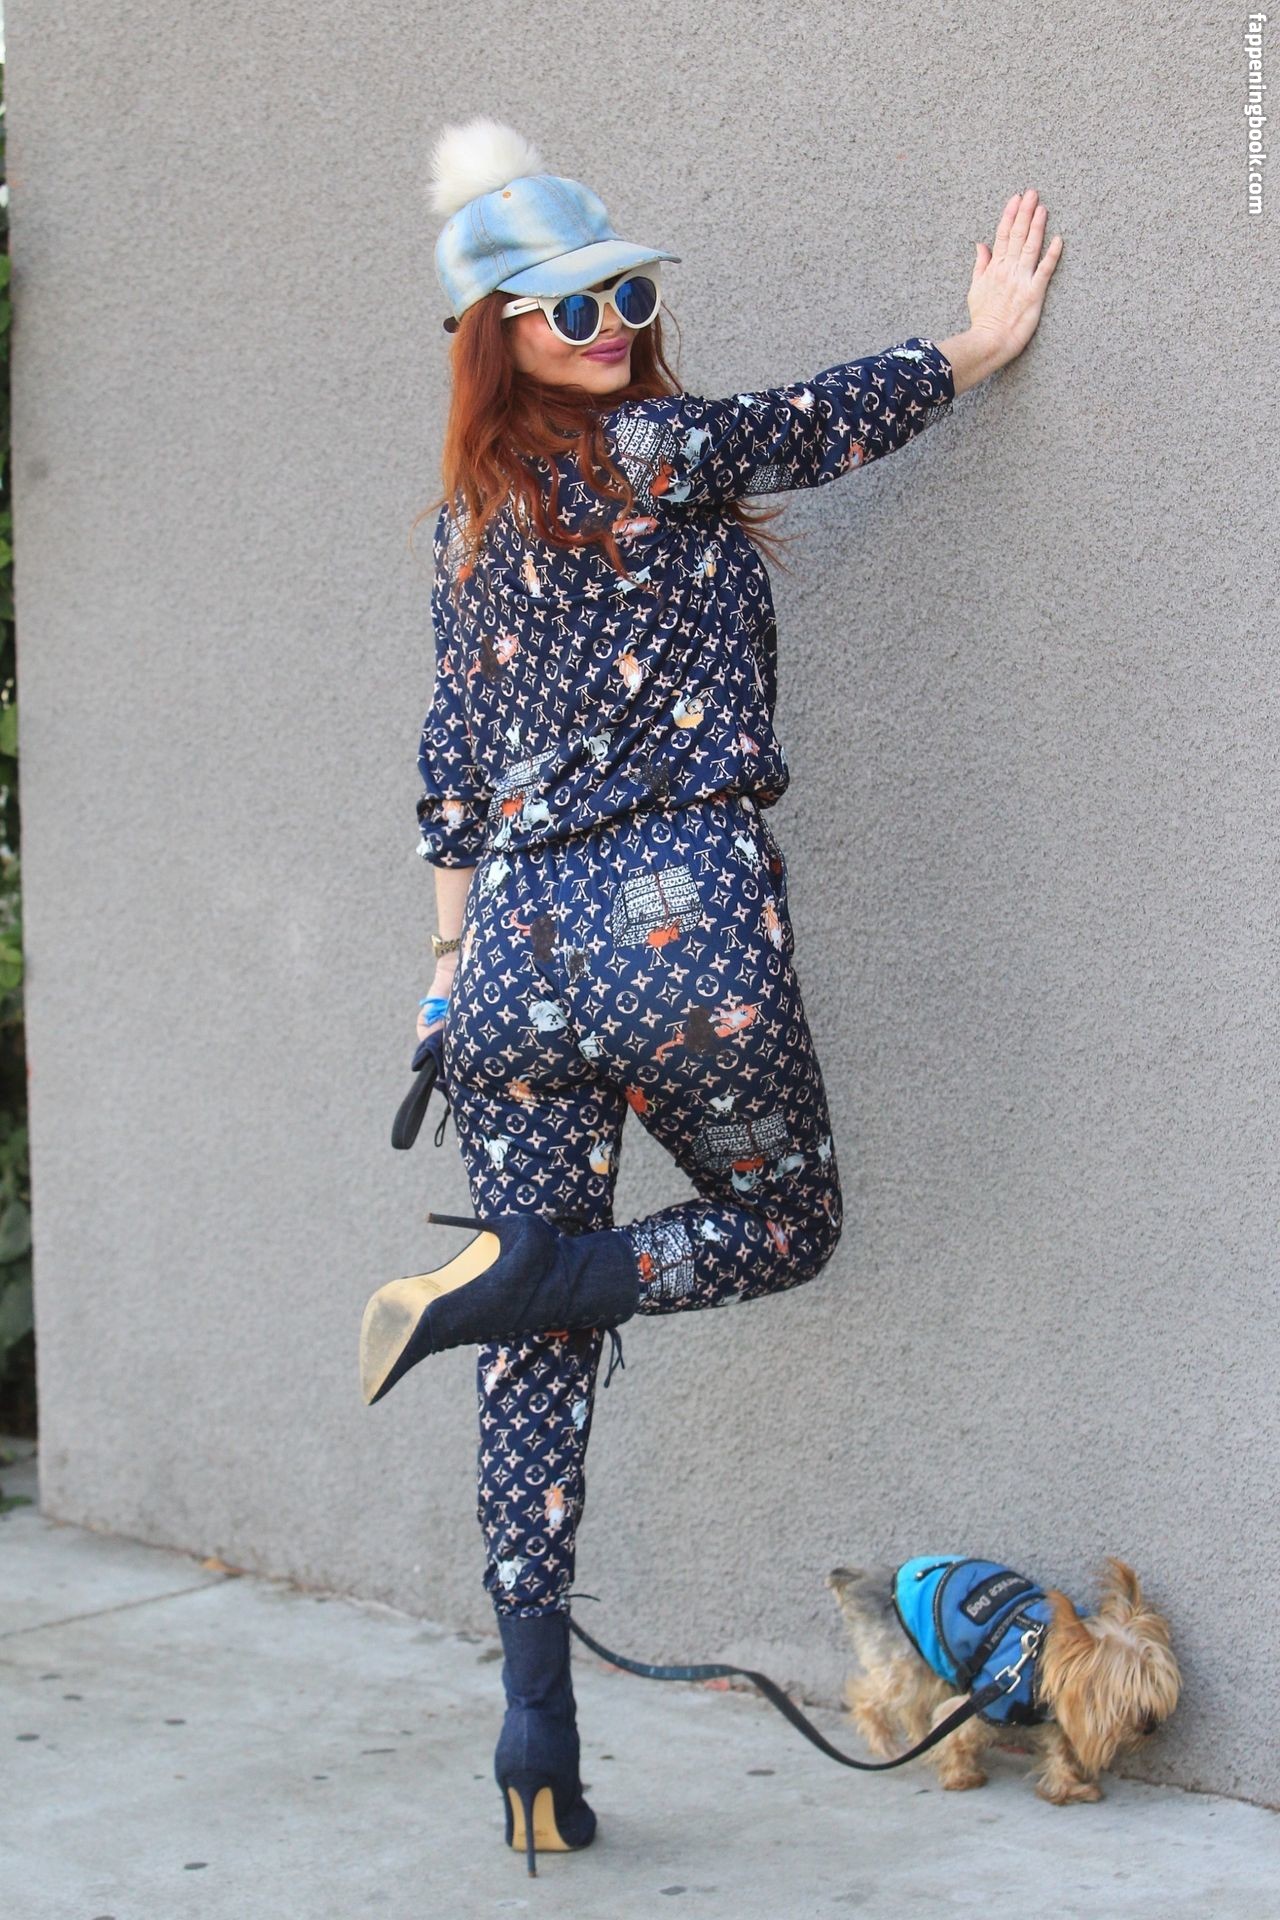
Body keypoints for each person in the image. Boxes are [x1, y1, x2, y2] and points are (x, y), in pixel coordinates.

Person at [358, 116, 1062, 1874]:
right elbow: (817, 421)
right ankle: (533, 1276)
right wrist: (979, 344)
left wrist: (443, 982)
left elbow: (451, 775)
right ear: (496, 334)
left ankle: (533, 1729)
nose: (605, 325)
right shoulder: (656, 447)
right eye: (564, 307)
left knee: (531, 1347)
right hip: (675, 926)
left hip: (508, 962)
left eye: (623, 295)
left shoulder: (468, 523)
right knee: (782, 1222)